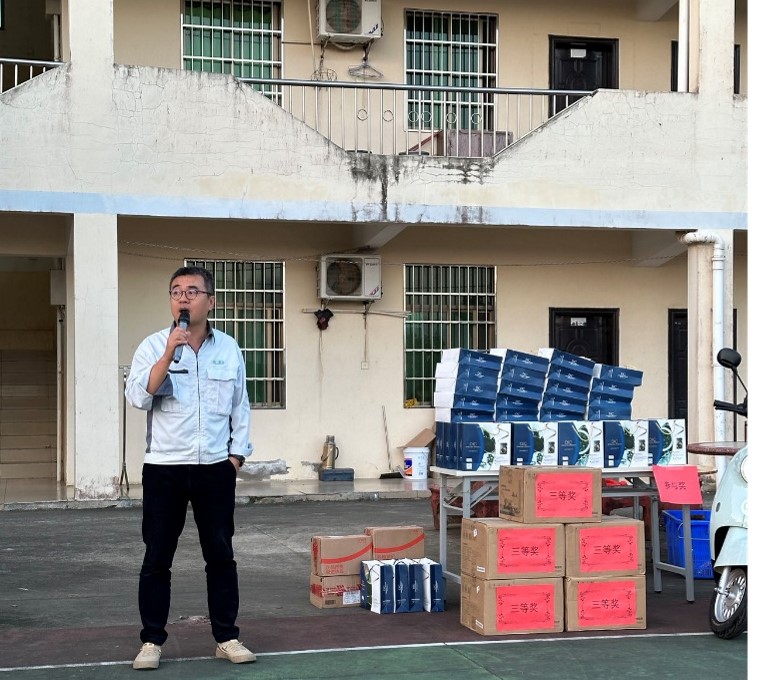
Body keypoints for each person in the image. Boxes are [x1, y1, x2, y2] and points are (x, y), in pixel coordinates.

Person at [125, 265, 255, 671]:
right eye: (176, 291)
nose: (183, 297)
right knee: (157, 557)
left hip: (214, 468)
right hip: (164, 467)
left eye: (192, 291)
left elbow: (240, 406)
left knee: (220, 555)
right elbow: (138, 397)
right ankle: (151, 641)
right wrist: (168, 353)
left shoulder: (228, 348)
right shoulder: (152, 345)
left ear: (210, 301)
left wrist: (235, 458)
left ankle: (226, 637)